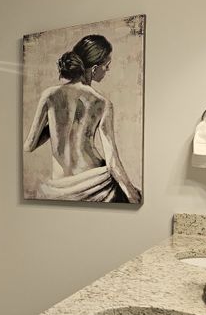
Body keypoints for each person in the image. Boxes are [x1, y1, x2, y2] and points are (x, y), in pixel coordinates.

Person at [24, 34, 141, 204]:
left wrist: (56, 126)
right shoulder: (103, 103)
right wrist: (132, 194)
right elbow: (112, 162)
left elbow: (29, 146)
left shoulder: (49, 95)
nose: (107, 70)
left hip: (58, 187)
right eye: (107, 66)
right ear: (94, 69)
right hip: (97, 183)